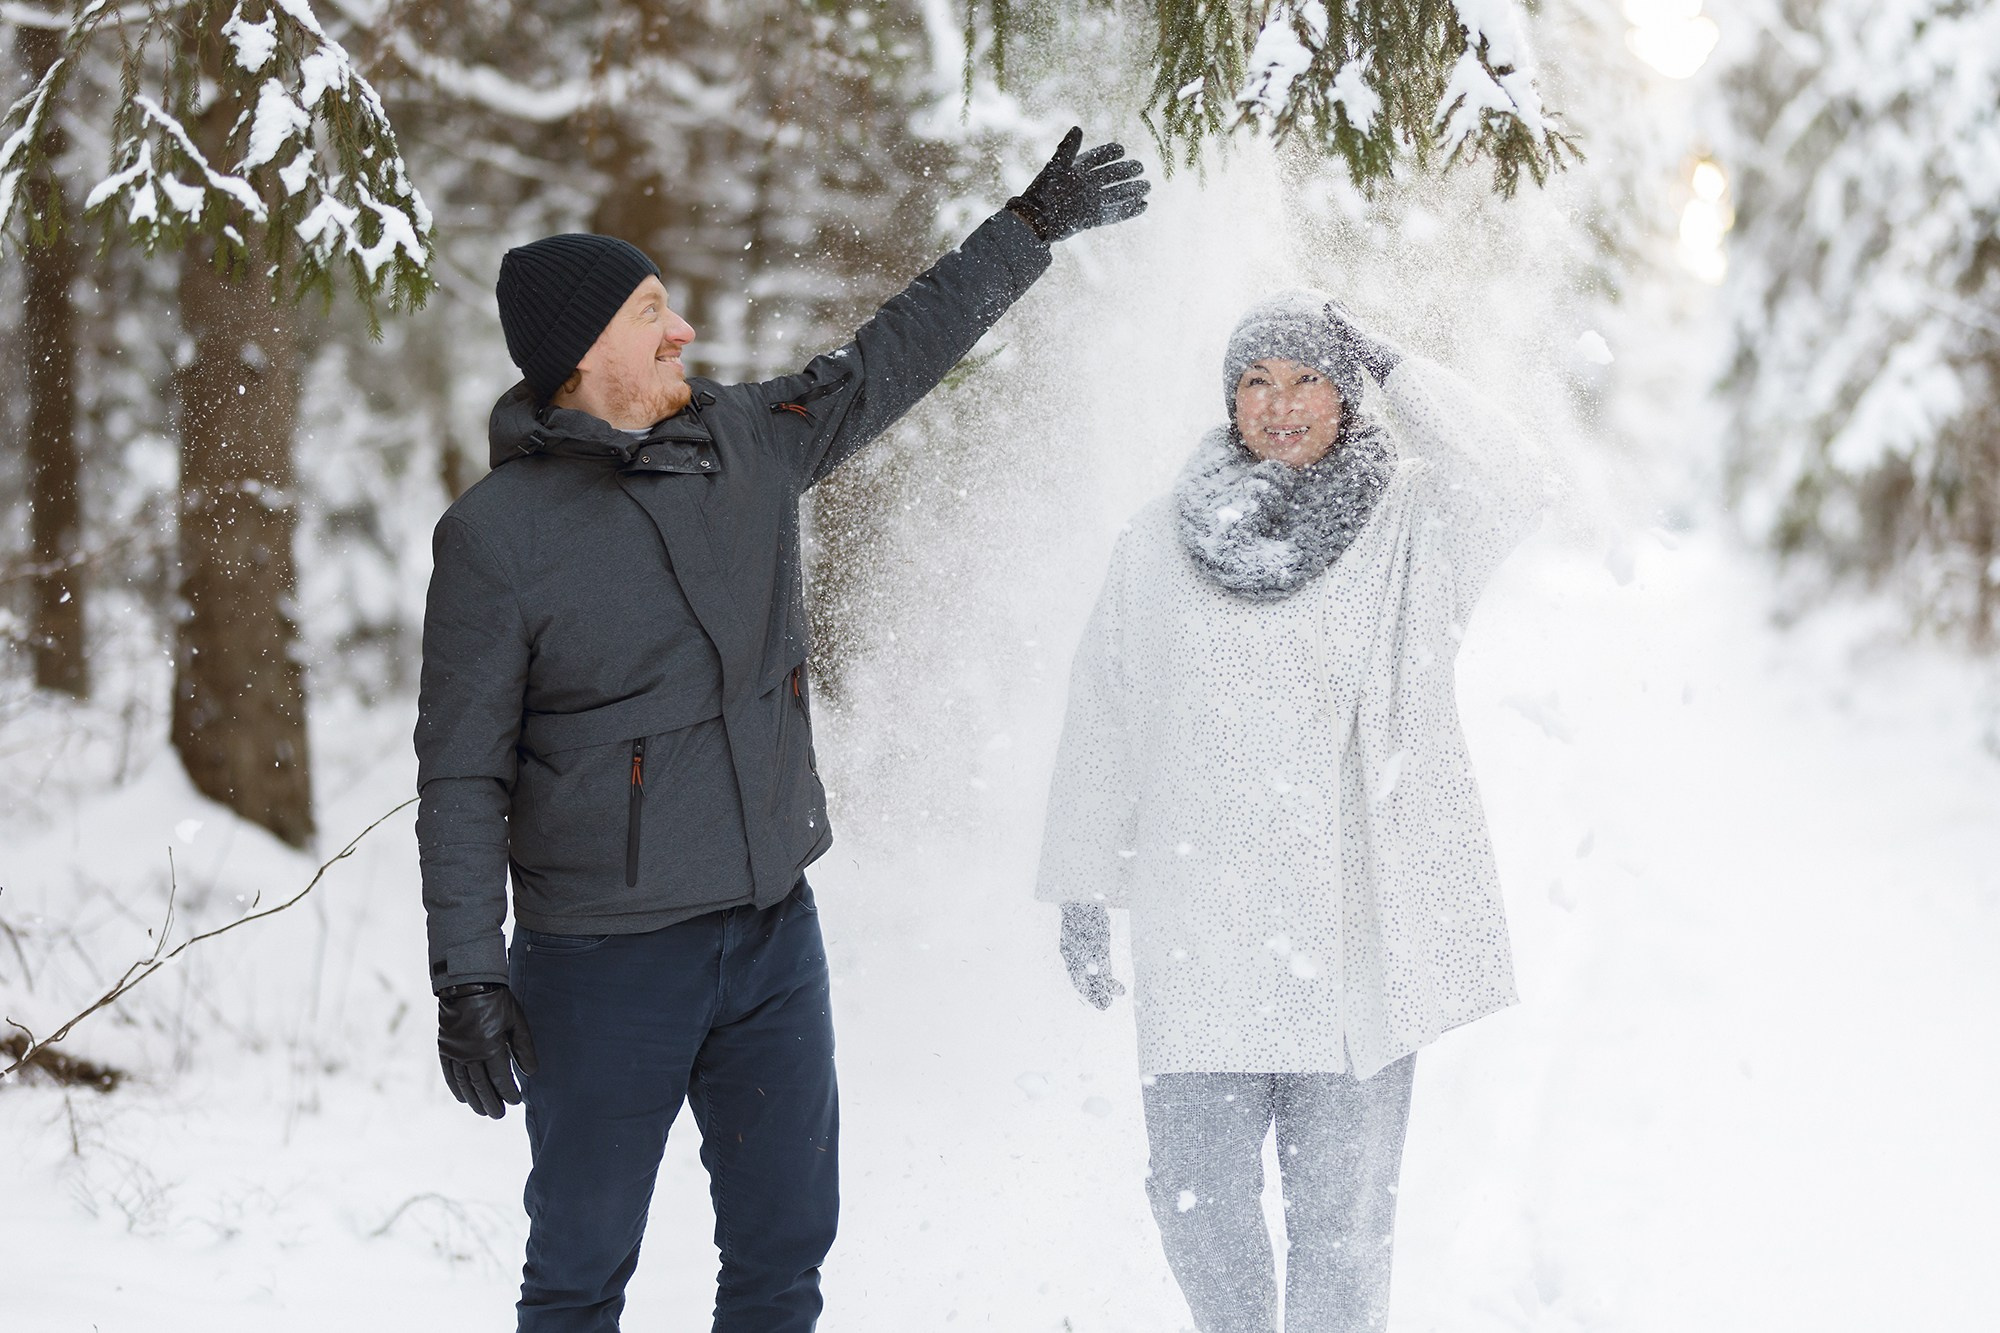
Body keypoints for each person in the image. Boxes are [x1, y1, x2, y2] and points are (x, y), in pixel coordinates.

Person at [415, 128, 1148, 1333]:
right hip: (603, 964)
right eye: (653, 311)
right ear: (582, 350)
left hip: (769, 940)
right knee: (580, 1270)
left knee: (783, 1254)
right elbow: (459, 774)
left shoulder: (744, 443)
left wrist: (1024, 231)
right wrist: (468, 972)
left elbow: (888, 358)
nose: (681, 332)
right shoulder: (497, 538)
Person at [1035, 292, 1545, 1332]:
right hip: (1200, 942)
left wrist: (1393, 360)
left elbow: (1516, 478)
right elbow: (1104, 703)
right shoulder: (1156, 539)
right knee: (1200, 1218)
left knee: (1343, 1235)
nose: (1278, 405)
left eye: (1307, 378)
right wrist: (1084, 879)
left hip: (1349, 948)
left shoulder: (1411, 522)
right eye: (1254, 383)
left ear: (1345, 394)